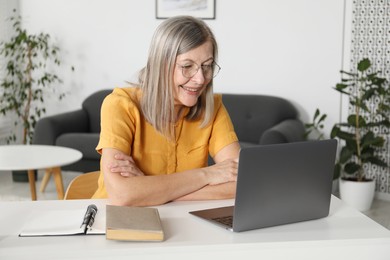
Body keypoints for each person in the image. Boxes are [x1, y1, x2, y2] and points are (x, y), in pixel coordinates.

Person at [92, 16, 240, 206]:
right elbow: (123, 195)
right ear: (160, 66)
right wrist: (207, 174)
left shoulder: (214, 107)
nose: (201, 79)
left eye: (207, 66)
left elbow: (241, 183)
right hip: (113, 222)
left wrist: (148, 188)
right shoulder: (120, 105)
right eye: (187, 67)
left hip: (184, 221)